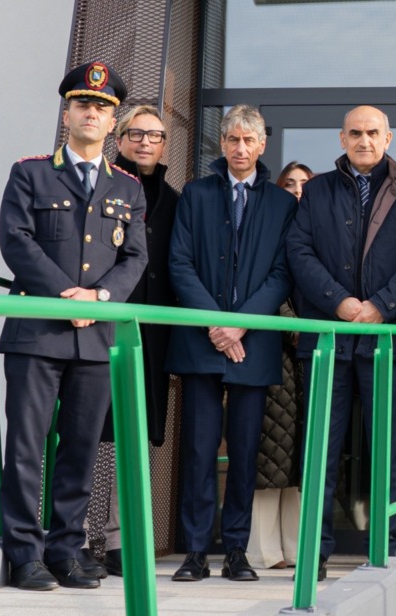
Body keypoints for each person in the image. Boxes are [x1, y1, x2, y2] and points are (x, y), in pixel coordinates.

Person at [0, 62, 148, 591]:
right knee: (26, 444)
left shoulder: (127, 187)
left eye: (103, 108)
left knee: (80, 447)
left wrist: (100, 298)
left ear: (113, 124)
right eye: (83, 104)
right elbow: (16, 240)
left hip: (95, 334)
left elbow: (134, 257)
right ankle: (23, 552)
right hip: (39, 330)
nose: (92, 112)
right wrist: (66, 294)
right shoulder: (31, 172)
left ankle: (65, 549)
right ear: (67, 114)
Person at [285, 106, 396, 580]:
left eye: (373, 133)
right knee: (321, 451)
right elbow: (299, 250)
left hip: (387, 339)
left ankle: (385, 551)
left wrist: (381, 305)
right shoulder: (317, 190)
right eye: (355, 133)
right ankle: (314, 552)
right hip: (330, 337)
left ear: (388, 137)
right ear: (342, 137)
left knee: (388, 452)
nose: (364, 140)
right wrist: (340, 303)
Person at [165, 104, 295, 582]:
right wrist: (216, 325)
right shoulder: (196, 195)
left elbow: (283, 273)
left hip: (252, 343)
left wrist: (239, 325)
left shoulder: (282, 204)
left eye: (249, 141)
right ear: (221, 144)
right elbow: (180, 263)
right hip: (202, 342)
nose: (240, 149)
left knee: (244, 452)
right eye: (232, 140)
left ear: (262, 145)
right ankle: (196, 551)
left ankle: (236, 551)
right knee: (199, 451)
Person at [82, 104, 180, 579]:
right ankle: (84, 536)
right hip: (98, 325)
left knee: (133, 435)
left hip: (150, 334)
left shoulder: (174, 198)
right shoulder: (98, 184)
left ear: (165, 145)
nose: (145, 143)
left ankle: (120, 539)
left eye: (155, 136)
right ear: (118, 139)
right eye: (136, 134)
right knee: (95, 433)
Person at [249, 162, 316, 571]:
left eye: (305, 184)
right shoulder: (271, 223)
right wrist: (293, 324)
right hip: (273, 347)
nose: (297, 190)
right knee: (269, 451)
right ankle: (262, 549)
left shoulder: (318, 225)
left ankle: (294, 547)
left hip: (312, 352)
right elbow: (268, 279)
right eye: (289, 183)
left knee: (299, 456)